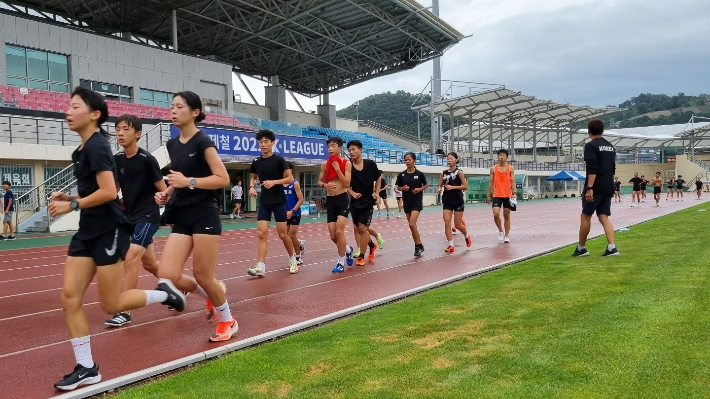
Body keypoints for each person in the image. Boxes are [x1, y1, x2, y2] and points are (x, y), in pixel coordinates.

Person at [49, 87, 185, 391]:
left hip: (109, 229)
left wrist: (70, 205)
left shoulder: (98, 147)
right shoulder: (82, 151)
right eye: (67, 107)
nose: (68, 112)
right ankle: (86, 367)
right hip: (87, 231)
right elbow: (96, 190)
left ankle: (166, 295)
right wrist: (70, 196)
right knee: (69, 298)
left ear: (95, 115)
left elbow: (110, 193)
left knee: (112, 303)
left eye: (75, 106)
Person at [105, 115, 203, 328]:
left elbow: (163, 190)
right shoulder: (117, 160)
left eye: (125, 129)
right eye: (117, 129)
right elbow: (114, 191)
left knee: (130, 260)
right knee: (149, 264)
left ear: (138, 134)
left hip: (148, 217)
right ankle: (177, 285)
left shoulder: (147, 160)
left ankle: (125, 310)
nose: (120, 133)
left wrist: (172, 217)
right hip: (129, 217)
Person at [156, 91, 237, 344]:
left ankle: (228, 320)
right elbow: (180, 177)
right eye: (172, 106)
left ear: (194, 112)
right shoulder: (172, 144)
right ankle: (213, 294)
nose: (173, 110)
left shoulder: (203, 142)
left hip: (204, 213)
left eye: (179, 106)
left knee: (202, 274)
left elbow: (222, 179)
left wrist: (189, 182)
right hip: (182, 212)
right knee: (167, 273)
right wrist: (168, 191)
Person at [246, 130, 297, 276]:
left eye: (266, 142)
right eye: (260, 142)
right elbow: (253, 178)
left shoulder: (279, 160)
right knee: (261, 234)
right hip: (264, 203)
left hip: (279, 201)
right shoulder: (256, 162)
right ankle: (261, 266)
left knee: (282, 234)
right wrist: (251, 187)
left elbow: (289, 179)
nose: (263, 145)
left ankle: (292, 259)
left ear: (272, 143)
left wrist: (274, 182)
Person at [573, 118, 619, 257]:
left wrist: (589, 188)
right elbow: (612, 168)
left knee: (586, 215)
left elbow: (592, 168)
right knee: (604, 216)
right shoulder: (610, 146)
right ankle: (612, 247)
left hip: (596, 187)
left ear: (589, 131)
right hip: (608, 186)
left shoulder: (590, 146)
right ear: (603, 130)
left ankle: (581, 248)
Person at [317, 137, 354, 273]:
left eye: (333, 146)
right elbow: (319, 182)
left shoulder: (346, 163)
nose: (330, 148)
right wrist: (325, 185)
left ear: (340, 148)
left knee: (339, 231)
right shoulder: (324, 164)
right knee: (333, 236)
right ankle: (348, 249)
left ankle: (340, 262)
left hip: (342, 199)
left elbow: (346, 184)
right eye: (329, 146)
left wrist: (338, 170)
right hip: (330, 200)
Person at [347, 140, 386, 266]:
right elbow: (344, 184)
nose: (351, 152)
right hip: (354, 201)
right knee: (358, 228)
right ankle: (371, 244)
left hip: (368, 201)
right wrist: (351, 193)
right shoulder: (348, 166)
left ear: (360, 150)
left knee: (363, 228)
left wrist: (377, 192)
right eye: (349, 150)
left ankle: (361, 257)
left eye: (353, 149)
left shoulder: (370, 164)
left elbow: (378, 177)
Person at [395, 152, 429, 256]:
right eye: (405, 160)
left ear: (414, 161)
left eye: (409, 159)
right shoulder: (402, 175)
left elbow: (426, 185)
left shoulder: (419, 174)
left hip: (417, 202)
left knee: (412, 224)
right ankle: (419, 245)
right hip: (407, 202)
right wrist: (402, 188)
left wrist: (419, 189)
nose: (407, 161)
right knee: (412, 226)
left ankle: (418, 246)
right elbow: (396, 187)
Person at [438, 152, 471, 252]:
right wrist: (439, 189)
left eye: (451, 158)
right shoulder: (443, 173)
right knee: (447, 222)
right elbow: (440, 185)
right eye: (447, 159)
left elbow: (465, 186)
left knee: (457, 225)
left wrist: (453, 187)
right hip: (447, 200)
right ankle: (451, 245)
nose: (449, 160)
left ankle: (466, 235)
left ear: (456, 160)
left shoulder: (459, 172)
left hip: (457, 200)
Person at [486, 149, 516, 243]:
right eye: (500, 155)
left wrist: (514, 193)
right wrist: (488, 195)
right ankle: (500, 231)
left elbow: (513, 182)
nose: (502, 157)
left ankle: (507, 235)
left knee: (506, 215)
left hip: (507, 195)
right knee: (495, 214)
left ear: (507, 157)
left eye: (503, 155)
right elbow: (491, 182)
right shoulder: (493, 169)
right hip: (497, 195)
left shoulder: (510, 168)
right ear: (498, 157)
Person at [283, 162, 306, 266]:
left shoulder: (294, 183)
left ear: (291, 170)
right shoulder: (280, 184)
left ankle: (298, 256)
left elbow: (301, 199)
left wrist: (292, 211)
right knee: (286, 236)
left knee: (292, 234)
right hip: (284, 213)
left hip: (294, 212)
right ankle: (299, 243)